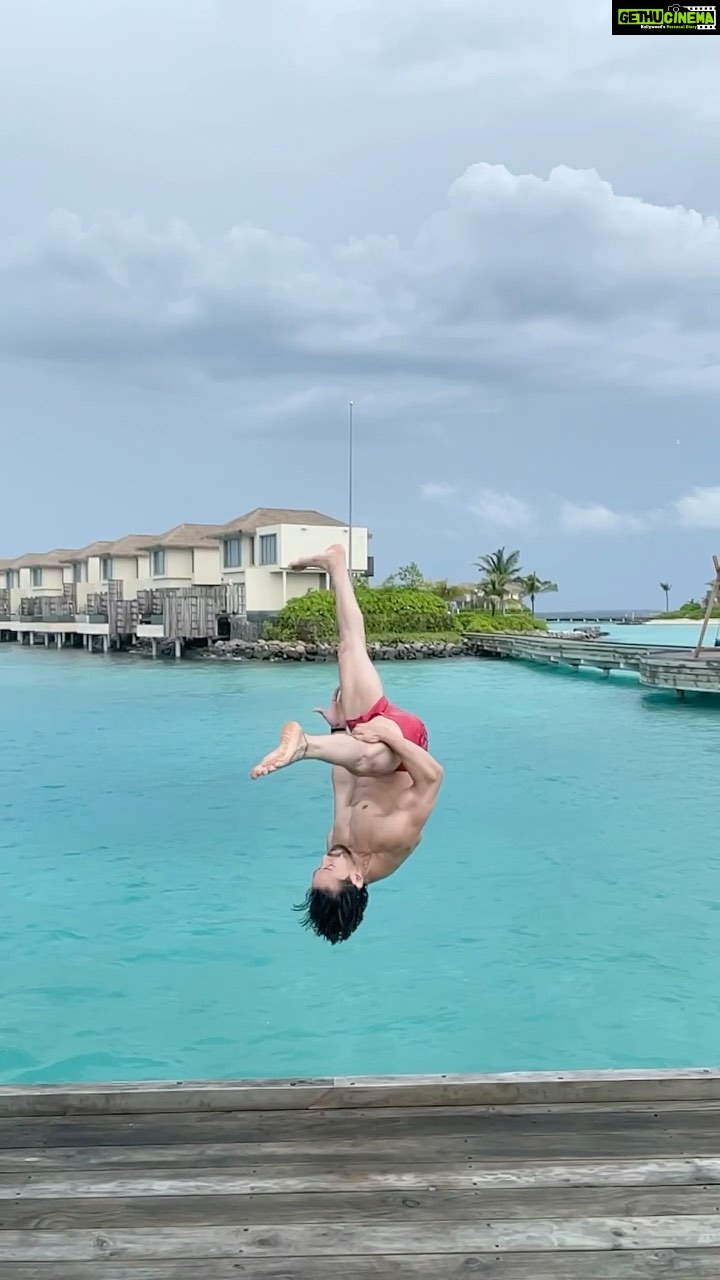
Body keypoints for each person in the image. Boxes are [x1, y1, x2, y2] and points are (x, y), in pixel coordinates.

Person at [250, 544, 443, 944]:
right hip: (404, 744)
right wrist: (392, 737)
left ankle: (336, 565)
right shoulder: (393, 841)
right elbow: (432, 778)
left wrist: (340, 730)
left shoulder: (336, 844)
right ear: (356, 878)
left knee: (348, 649)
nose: (325, 858)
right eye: (329, 868)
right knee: (370, 760)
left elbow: (343, 784)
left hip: (364, 740)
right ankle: (302, 747)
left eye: (318, 866)